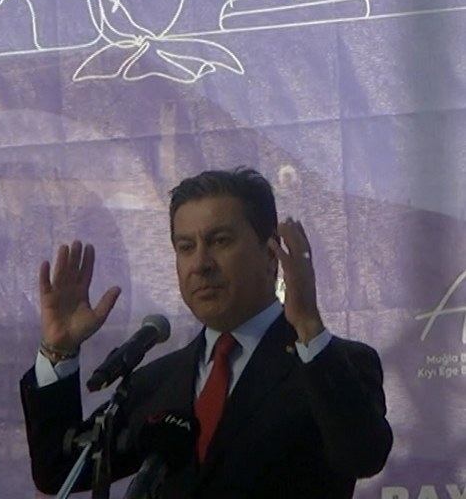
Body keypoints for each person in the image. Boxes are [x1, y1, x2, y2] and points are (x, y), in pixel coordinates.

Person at [20, 168, 393, 497]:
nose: (200, 264)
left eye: (220, 241)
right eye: (186, 247)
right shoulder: (153, 383)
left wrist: (308, 327)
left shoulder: (335, 364)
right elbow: (59, 472)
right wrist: (59, 350)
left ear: (270, 256)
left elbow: (362, 455)